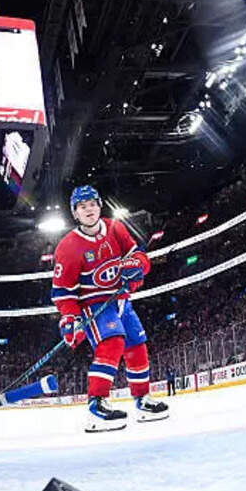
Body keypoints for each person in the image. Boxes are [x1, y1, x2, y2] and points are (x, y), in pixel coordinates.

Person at [51, 185, 169, 432]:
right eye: (82, 207)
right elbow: (63, 292)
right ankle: (97, 404)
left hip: (121, 301)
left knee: (136, 345)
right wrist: (70, 318)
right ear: (75, 213)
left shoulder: (115, 228)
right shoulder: (68, 247)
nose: (88, 210)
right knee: (112, 343)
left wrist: (137, 267)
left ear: (99, 205)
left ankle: (142, 399)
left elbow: (138, 255)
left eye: (92, 204)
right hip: (95, 305)